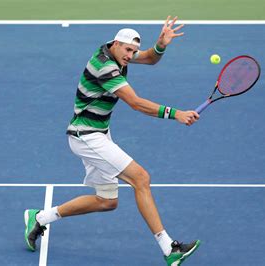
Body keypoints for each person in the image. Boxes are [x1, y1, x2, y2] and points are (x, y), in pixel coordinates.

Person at [25, 16, 201, 265]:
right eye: (128, 50)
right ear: (116, 44)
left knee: (107, 201)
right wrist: (176, 114)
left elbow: (150, 57)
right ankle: (169, 247)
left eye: (133, 51)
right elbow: (136, 103)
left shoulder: (116, 53)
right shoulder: (105, 67)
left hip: (97, 134)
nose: (131, 55)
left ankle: (40, 218)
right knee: (141, 178)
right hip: (86, 137)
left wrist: (161, 45)